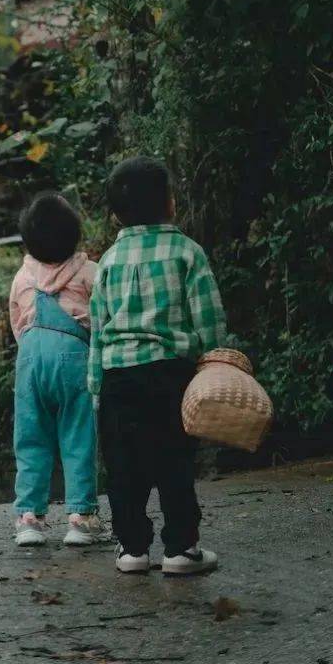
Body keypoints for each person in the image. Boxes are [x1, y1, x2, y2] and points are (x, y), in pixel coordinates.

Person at [89, 156, 227, 577]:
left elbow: (98, 329)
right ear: (170, 203)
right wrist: (216, 360)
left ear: (115, 212)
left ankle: (132, 550)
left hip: (118, 378)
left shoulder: (109, 261)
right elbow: (208, 317)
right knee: (175, 463)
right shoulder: (187, 252)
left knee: (123, 469)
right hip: (171, 374)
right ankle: (181, 549)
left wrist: (96, 387)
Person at [9, 191, 103, 548]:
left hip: (31, 362)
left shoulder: (23, 277)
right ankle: (80, 518)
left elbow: (17, 322)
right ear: (75, 235)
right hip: (75, 359)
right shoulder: (91, 273)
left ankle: (29, 518)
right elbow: (102, 320)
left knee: (31, 439)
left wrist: (33, 351)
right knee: (78, 437)